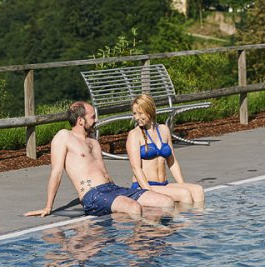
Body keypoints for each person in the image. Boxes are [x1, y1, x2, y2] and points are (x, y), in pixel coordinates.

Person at [25, 100, 174, 219]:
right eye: (92, 117)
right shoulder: (64, 137)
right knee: (134, 208)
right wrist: (48, 206)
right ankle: (138, 248)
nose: (96, 120)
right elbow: (56, 172)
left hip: (113, 189)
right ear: (80, 120)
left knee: (166, 202)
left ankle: (156, 242)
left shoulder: (94, 142)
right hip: (93, 195)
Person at [127, 94, 205, 206]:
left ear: (150, 111)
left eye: (140, 113)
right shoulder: (134, 135)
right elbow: (136, 168)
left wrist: (182, 184)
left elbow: (172, 162)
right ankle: (181, 222)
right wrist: (148, 191)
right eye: (135, 114)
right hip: (144, 186)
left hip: (163, 184)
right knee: (184, 194)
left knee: (198, 190)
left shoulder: (164, 130)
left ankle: (197, 221)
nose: (137, 117)